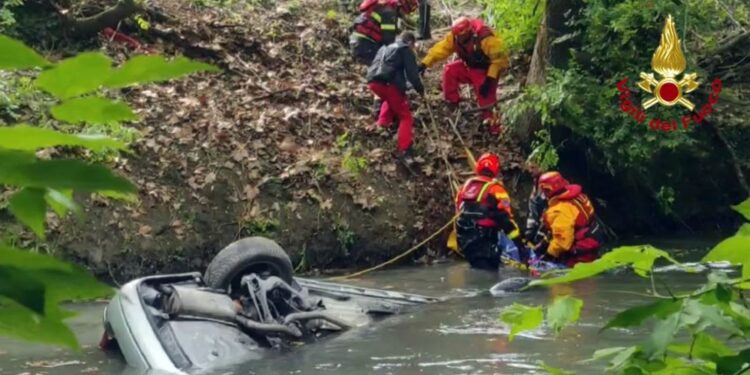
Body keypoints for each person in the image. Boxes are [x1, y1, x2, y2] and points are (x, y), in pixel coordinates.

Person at [419, 16, 509, 134]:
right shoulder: (454, 37)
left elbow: (500, 60)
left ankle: (493, 127)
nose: (459, 39)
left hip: (487, 71)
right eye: (457, 36)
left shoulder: (486, 38)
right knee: (450, 70)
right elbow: (441, 49)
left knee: (486, 96)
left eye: (461, 36)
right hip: (469, 67)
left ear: (469, 32)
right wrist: (425, 63)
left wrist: (490, 79)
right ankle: (452, 102)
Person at [454, 152, 523, 270]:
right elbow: (506, 219)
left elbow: (458, 210)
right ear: (495, 169)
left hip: (465, 240)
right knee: (489, 271)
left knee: (476, 268)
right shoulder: (497, 189)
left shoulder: (466, 186)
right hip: (485, 240)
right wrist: (520, 245)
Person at [366, 31, 424, 157]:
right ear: (410, 42)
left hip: (373, 82)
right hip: (388, 84)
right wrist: (421, 90)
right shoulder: (405, 49)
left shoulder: (386, 47)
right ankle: (405, 148)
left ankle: (382, 124)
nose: (413, 48)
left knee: (392, 100)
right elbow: (413, 75)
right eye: (413, 46)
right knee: (406, 116)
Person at [534, 171, 605, 267]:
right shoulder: (577, 196)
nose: (543, 194)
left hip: (579, 251)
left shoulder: (559, 210)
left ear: (549, 190)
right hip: (592, 241)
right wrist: (544, 244)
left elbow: (562, 242)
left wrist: (548, 257)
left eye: (544, 190)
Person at [350, 0, 419, 65]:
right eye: (409, 9)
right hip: (367, 46)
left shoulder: (384, 5)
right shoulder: (389, 12)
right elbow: (389, 42)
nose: (406, 14)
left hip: (358, 42)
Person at [524, 161, 547, 243]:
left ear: (541, 167)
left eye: (533, 168)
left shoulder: (547, 185)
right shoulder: (536, 182)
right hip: (537, 224)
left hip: (546, 226)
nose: (530, 170)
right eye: (529, 168)